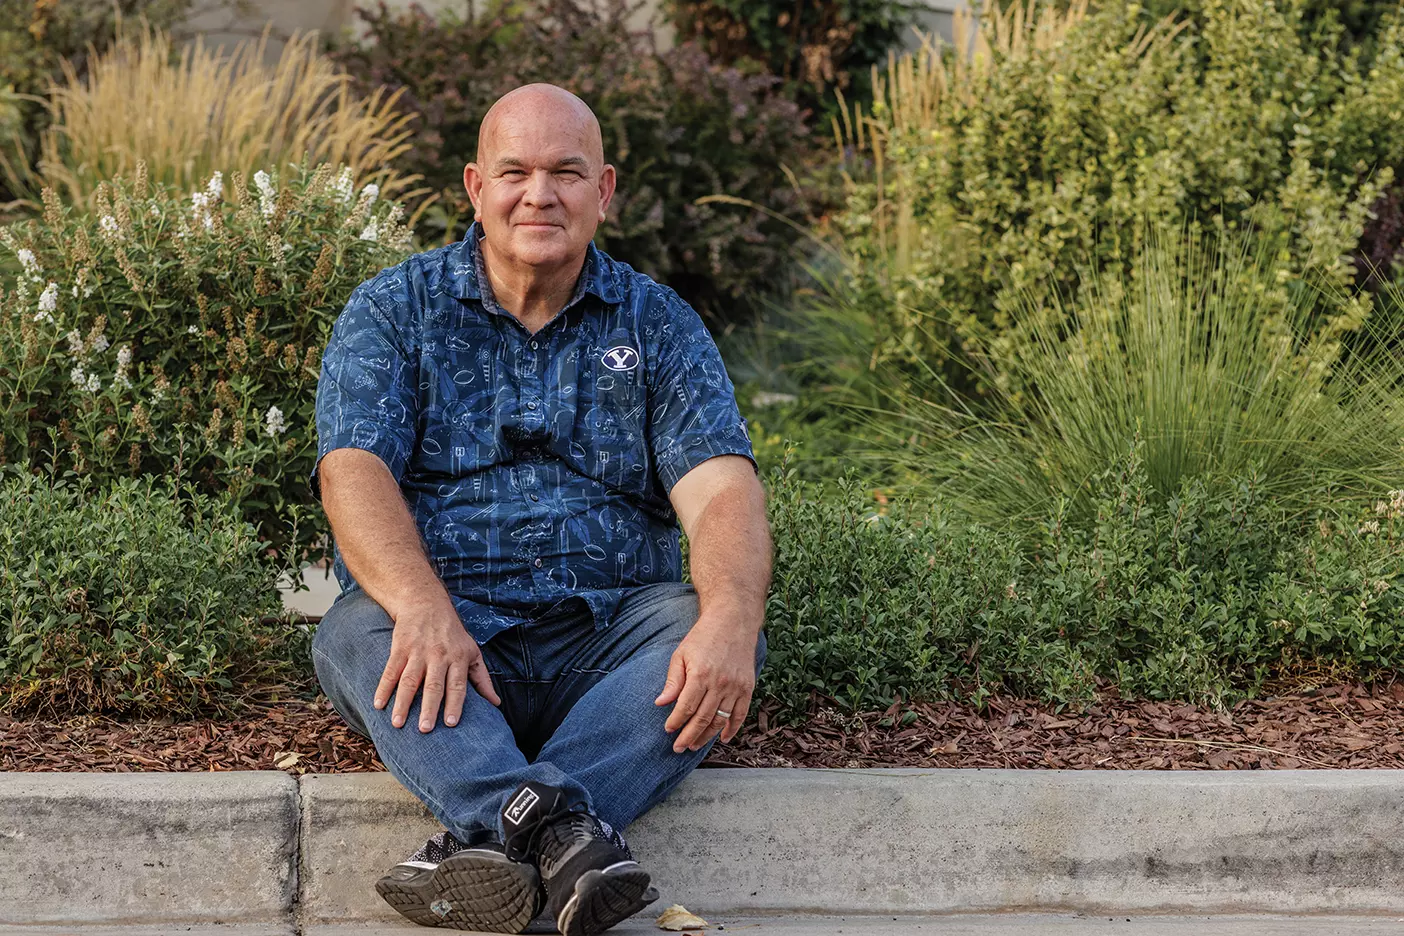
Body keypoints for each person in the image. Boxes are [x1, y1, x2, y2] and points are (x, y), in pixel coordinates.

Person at [307, 82, 772, 936]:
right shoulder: (394, 310)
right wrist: (421, 608)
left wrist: (734, 617)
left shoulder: (658, 324)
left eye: (566, 171)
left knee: (704, 626)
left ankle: (487, 833)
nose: (540, 193)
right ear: (475, 187)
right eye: (515, 171)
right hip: (443, 648)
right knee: (351, 631)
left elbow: (722, 490)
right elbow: (353, 472)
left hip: (605, 651)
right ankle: (567, 838)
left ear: (604, 191)